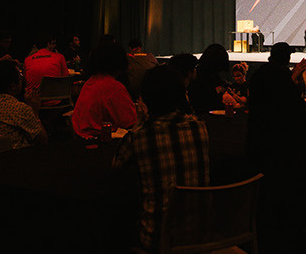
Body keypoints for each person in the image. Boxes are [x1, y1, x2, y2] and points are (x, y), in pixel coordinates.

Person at [114, 65, 210, 253]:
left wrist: (139, 122)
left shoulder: (140, 136)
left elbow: (117, 165)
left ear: (146, 98)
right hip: (201, 236)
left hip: (157, 240)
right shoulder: (200, 128)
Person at [71, 41, 137, 139]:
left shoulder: (90, 82)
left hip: (80, 138)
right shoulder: (114, 87)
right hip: (100, 142)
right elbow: (130, 121)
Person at [0, 60, 46, 149]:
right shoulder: (20, 109)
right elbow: (42, 141)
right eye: (20, 77)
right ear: (13, 86)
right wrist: (35, 112)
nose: (22, 80)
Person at [22, 32, 68, 106]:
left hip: (33, 103)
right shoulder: (59, 57)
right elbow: (65, 79)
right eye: (53, 43)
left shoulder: (27, 60)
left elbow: (25, 79)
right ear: (48, 44)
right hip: (55, 101)